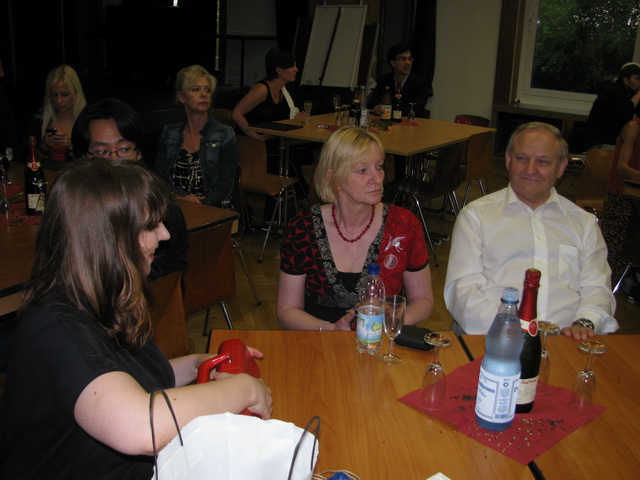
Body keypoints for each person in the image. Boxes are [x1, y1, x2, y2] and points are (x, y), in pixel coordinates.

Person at [0, 158, 272, 478]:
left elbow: (131, 383)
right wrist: (243, 389)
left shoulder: (105, 301)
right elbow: (141, 427)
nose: (165, 234)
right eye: (150, 225)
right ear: (108, 240)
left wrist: (198, 364)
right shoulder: (58, 328)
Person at [444, 122, 618, 340]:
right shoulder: (476, 216)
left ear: (561, 167)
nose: (530, 170)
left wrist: (585, 322)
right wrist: (510, 331)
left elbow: (597, 288)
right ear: (508, 160)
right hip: (492, 337)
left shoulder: (584, 224)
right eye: (522, 158)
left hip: (565, 341)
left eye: (543, 161)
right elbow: (462, 290)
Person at [277, 126, 434, 330]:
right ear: (334, 178)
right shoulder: (303, 227)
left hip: (380, 339)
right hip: (319, 339)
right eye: (362, 170)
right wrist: (331, 330)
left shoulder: (404, 224)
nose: (377, 179)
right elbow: (287, 310)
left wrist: (384, 325)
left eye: (379, 166)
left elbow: (423, 302)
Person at [72, 98, 188, 281]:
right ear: (82, 159)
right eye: (102, 152)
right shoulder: (73, 214)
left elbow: (170, 280)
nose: (114, 160)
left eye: (124, 149)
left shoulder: (163, 214)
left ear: (139, 153)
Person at [155, 64, 237, 207]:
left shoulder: (225, 134)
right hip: (177, 204)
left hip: (213, 207)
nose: (204, 94)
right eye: (195, 89)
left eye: (207, 90)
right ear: (181, 97)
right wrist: (178, 197)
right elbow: (158, 178)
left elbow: (225, 184)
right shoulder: (169, 133)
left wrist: (199, 204)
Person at [600, 118, 640, 286]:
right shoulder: (633, 127)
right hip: (622, 197)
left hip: (636, 195)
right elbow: (622, 168)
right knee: (615, 251)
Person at [26, 64, 87, 164]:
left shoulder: (88, 121)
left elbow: (95, 161)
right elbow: (26, 162)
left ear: (76, 92)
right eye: (54, 95)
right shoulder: (39, 121)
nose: (59, 100)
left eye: (65, 94)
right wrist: (43, 148)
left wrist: (72, 147)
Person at [586, 62, 640, 149]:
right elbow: (626, 112)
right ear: (626, 80)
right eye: (637, 79)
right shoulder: (613, 91)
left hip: (610, 141)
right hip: (600, 144)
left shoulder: (628, 93)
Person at [367, 44, 429, 119]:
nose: (408, 63)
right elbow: (372, 103)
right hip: (387, 122)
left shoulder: (420, 82)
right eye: (402, 59)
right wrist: (376, 108)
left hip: (410, 122)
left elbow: (417, 109)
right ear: (393, 63)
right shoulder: (384, 79)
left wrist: (387, 110)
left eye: (409, 59)